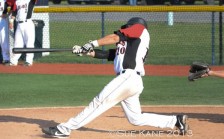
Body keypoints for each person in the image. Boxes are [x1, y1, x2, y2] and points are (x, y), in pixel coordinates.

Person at [41, 17, 189, 138]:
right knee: (135, 118)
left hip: (128, 78)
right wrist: (85, 51)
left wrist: (91, 43)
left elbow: (113, 37)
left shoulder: (140, 29)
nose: (125, 29)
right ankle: (175, 120)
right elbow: (108, 54)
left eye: (127, 27)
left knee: (99, 102)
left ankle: (65, 128)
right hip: (132, 82)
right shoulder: (129, 43)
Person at [8, 0, 36, 66]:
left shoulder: (30, 1)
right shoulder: (17, 1)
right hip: (19, 24)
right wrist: (11, 21)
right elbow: (14, 12)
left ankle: (29, 61)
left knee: (29, 43)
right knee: (17, 43)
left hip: (28, 23)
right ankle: (13, 61)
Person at [0, 0, 10, 65]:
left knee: (3, 40)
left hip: (2, 20)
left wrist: (7, 15)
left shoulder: (6, 1)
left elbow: (11, 9)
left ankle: (6, 58)